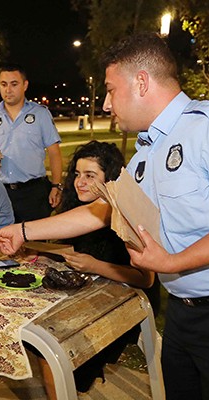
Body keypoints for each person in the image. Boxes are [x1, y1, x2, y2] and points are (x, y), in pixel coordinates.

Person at [0, 32, 209, 399]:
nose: (107, 104)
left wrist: (173, 261)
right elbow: (99, 212)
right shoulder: (148, 153)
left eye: (111, 90)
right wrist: (22, 230)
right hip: (186, 315)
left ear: (141, 82)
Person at [50, 140, 160, 392]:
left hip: (131, 299)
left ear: (108, 178)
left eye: (90, 175)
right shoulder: (76, 207)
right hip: (91, 294)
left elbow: (147, 280)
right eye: (77, 174)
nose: (79, 182)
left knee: (69, 346)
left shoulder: (126, 214)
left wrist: (94, 265)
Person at [0, 63, 63, 223]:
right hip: (1, 192)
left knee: (34, 245)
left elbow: (54, 152)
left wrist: (56, 186)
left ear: (25, 85)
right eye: (4, 84)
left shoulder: (40, 114)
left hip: (33, 193)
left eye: (14, 84)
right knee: (1, 243)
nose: (8, 90)